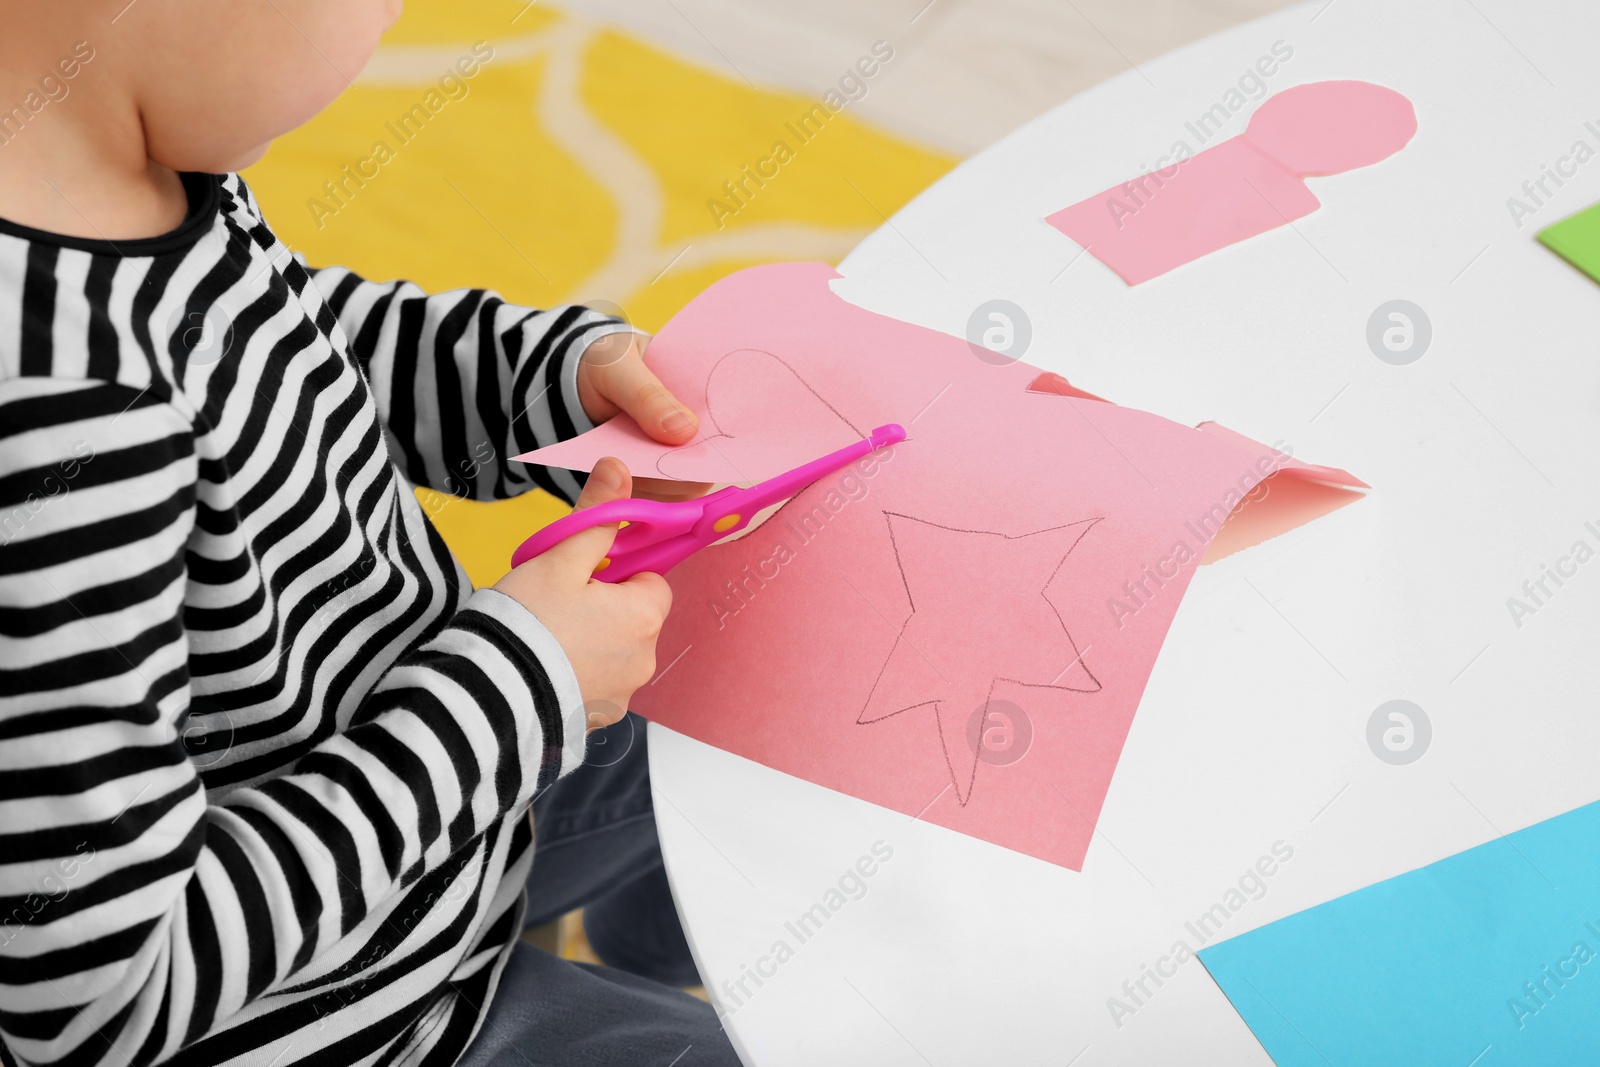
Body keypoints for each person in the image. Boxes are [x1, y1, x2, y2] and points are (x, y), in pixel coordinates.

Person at [0, 1, 740, 1064]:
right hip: (347, 1016)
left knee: (751, 688)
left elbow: (276, 338)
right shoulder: (61, 421)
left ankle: (631, 948)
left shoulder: (120, 151)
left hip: (436, 798)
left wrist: (541, 383)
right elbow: (98, 1004)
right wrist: (519, 688)